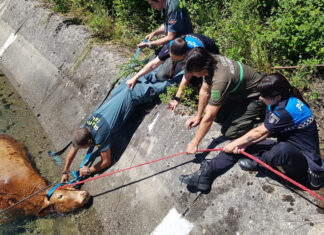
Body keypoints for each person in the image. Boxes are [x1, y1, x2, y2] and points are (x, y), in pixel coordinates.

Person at [179, 73, 324, 192]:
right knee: (241, 145)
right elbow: (266, 132)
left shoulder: (286, 110)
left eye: (263, 96)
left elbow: (260, 131)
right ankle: (206, 174)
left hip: (302, 163)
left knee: (279, 149)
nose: (260, 98)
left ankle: (258, 162)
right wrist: (243, 145)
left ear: (277, 96)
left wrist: (239, 143)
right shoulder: (278, 102)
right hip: (291, 150)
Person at [60, 68, 185, 183]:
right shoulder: (86, 125)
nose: (85, 148)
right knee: (156, 73)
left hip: (136, 93)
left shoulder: (100, 137)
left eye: (85, 146)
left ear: (89, 140)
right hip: (126, 85)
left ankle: (188, 69)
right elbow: (74, 147)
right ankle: (175, 60)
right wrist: (65, 171)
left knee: (168, 84)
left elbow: (106, 162)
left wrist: (89, 170)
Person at [180, 48, 266, 156]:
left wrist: (194, 142)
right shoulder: (211, 59)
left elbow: (210, 116)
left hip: (257, 97)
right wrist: (198, 117)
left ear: (203, 70)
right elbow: (205, 91)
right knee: (218, 116)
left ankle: (265, 126)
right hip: (241, 93)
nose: (191, 75)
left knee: (229, 131)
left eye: (193, 73)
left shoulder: (220, 80)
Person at [127, 33, 219, 90]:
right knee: (165, 74)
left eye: (175, 59)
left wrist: (178, 95)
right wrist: (135, 77)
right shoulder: (172, 45)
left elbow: (188, 74)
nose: (172, 59)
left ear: (184, 56)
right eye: (171, 56)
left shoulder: (195, 53)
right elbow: (153, 64)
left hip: (210, 50)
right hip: (186, 50)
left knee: (195, 79)